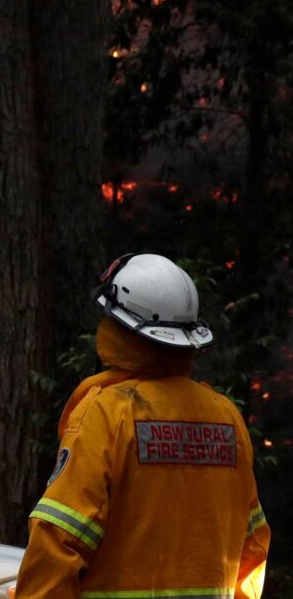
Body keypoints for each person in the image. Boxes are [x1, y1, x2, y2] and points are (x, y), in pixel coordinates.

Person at [15, 253, 270, 598]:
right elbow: (253, 542)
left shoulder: (108, 413)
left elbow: (59, 537)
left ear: (119, 330)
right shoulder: (226, 417)